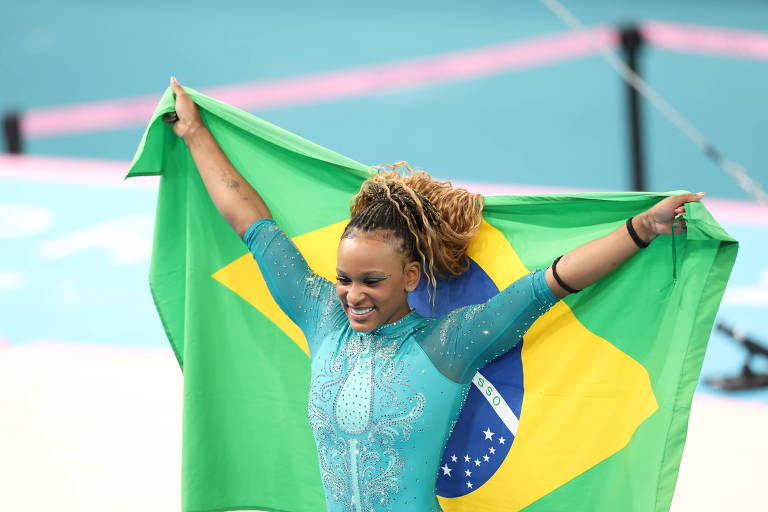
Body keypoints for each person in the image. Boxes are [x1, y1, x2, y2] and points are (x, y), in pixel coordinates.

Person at [168, 77, 703, 512]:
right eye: (344, 278)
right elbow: (254, 224)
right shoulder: (319, 314)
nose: (352, 295)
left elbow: (551, 283)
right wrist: (195, 134)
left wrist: (642, 229)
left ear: (412, 277)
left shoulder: (448, 345)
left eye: (372, 281)